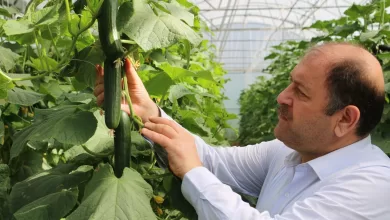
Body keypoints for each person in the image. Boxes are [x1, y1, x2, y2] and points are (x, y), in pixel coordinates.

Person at [94, 42, 390, 219]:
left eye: (300, 92)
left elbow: (197, 165)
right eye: (290, 83)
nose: (281, 97)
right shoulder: (290, 153)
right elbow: (212, 160)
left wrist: (192, 172)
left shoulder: (374, 185)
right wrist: (146, 113)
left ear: (345, 119)